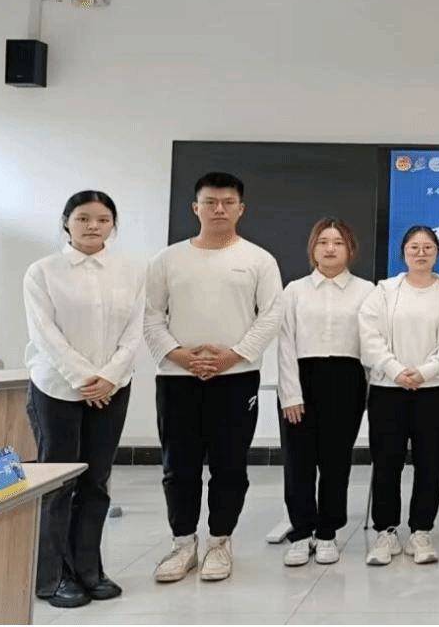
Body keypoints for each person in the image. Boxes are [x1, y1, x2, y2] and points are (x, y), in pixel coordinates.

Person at [144, 172, 284, 583]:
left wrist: (233, 355)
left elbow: (271, 315)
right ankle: (183, 543)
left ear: (241, 209)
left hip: (236, 377)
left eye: (227, 202)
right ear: (196, 208)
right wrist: (179, 355)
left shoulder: (259, 260)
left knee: (230, 465)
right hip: (177, 377)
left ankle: (220, 541)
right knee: (178, 466)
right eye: (210, 202)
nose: (218, 209)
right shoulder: (167, 260)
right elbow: (151, 316)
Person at [23, 190, 143, 608]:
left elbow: (133, 332)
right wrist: (84, 378)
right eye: (83, 218)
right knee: (59, 481)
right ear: (66, 222)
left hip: (113, 388)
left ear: (113, 225)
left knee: (96, 480)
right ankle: (53, 577)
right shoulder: (43, 271)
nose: (93, 226)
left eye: (103, 219)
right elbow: (45, 334)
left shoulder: (130, 272)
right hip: (56, 386)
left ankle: (89, 569)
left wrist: (108, 377)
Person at [359, 225, 439, 566]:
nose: (421, 253)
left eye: (428, 247)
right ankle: (386, 532)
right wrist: (395, 370)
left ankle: (422, 531)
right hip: (388, 389)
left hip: (433, 391)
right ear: (403, 253)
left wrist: (425, 372)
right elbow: (369, 336)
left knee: (429, 463)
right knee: (387, 462)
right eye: (414, 247)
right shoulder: (384, 291)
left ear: (438, 252)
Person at [277, 218, 374, 567]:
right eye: (323, 242)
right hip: (302, 378)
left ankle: (328, 532)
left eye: (338, 242)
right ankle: (302, 532)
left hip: (347, 380)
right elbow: (285, 344)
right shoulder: (294, 290)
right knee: (298, 461)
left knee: (336, 460)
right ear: (312, 249)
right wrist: (290, 394)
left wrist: (371, 391)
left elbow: (372, 344)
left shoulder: (367, 291)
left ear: (350, 249)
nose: (330, 248)